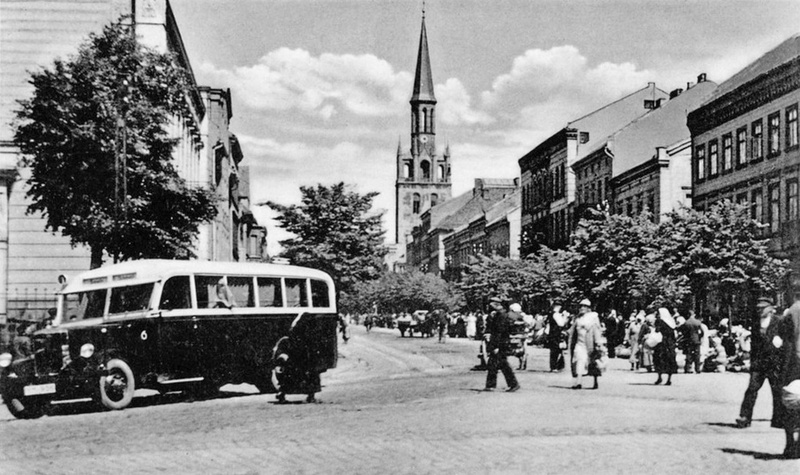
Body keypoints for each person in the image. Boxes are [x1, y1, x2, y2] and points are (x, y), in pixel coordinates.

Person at [736, 297, 784, 429]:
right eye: (758, 308)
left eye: (762, 308)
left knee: (777, 391)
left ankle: (778, 419)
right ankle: (745, 417)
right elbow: (754, 344)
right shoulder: (756, 323)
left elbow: (786, 340)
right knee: (751, 389)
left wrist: (780, 347)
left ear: (770, 309)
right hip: (759, 363)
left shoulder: (779, 321)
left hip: (774, 363)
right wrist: (752, 362)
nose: (759, 311)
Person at [274, 313, 324, 403]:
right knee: (310, 376)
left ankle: (282, 394)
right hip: (305, 359)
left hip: (294, 360)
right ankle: (311, 396)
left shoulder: (294, 331)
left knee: (290, 377)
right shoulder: (311, 332)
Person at [777, 301, 800, 458]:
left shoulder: (792, 310)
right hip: (794, 360)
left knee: (789, 402)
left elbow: (783, 336)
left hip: (792, 361)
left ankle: (790, 444)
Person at [483, 297, 520, 392]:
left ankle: (513, 384)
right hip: (500, 343)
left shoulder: (501, 316)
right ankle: (491, 385)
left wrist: (496, 346)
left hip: (500, 344)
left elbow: (499, 332)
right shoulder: (500, 314)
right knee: (494, 363)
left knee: (502, 364)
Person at [568, 299, 603, 390]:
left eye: (584, 306)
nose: (582, 308)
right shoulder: (577, 318)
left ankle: (595, 381)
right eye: (581, 306)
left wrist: (598, 342)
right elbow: (572, 331)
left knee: (593, 362)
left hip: (590, 343)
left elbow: (597, 331)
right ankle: (578, 382)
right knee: (579, 360)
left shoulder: (593, 318)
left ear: (588, 308)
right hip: (579, 343)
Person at [653, 308, 678, 385]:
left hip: (662, 343)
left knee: (659, 359)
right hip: (670, 344)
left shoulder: (660, 321)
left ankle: (659, 377)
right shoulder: (671, 322)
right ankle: (669, 379)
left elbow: (657, 331)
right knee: (670, 360)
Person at [545, 302, 567, 372]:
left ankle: (555, 366)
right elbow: (561, 324)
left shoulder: (551, 314)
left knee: (554, 351)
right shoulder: (556, 315)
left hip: (552, 334)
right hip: (556, 335)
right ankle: (555, 366)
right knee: (556, 351)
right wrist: (565, 317)